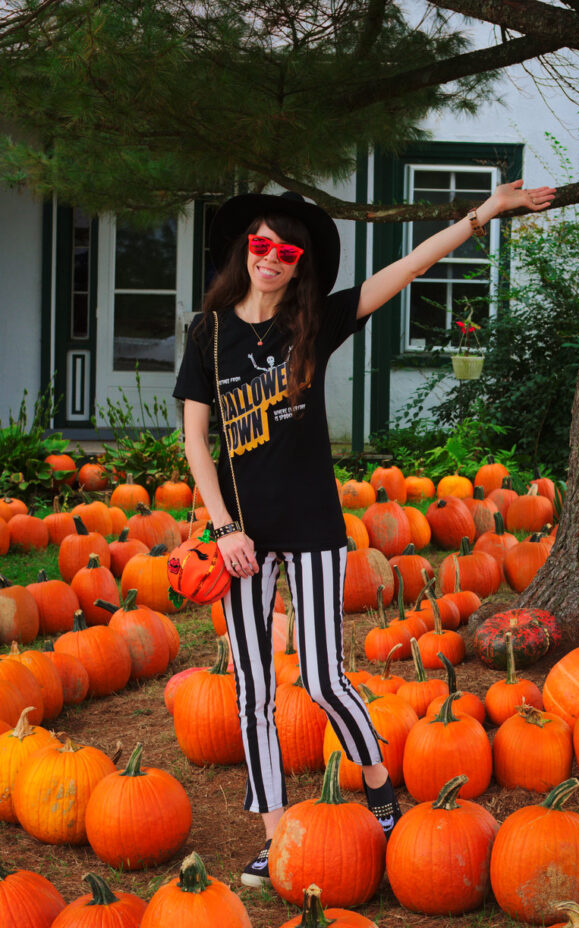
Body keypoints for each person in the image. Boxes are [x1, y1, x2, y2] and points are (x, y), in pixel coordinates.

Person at [173, 179, 555, 886]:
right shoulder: (211, 332)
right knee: (251, 691)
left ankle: (378, 785)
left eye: (285, 250)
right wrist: (222, 527)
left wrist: (482, 214)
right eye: (260, 245)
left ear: (298, 263)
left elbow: (402, 270)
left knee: (322, 676)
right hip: (242, 540)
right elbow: (197, 440)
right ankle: (276, 833)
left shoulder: (314, 320)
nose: (270, 258)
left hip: (314, 527)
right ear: (243, 250)